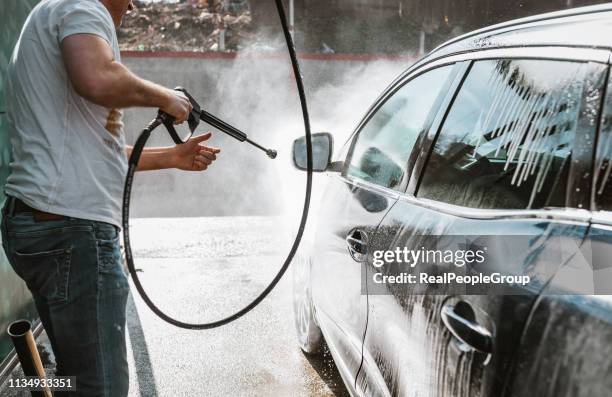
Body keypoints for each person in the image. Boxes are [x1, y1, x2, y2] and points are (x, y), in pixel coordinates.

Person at [0, 0, 220, 395]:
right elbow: (98, 79)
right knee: (100, 387)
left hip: (44, 224)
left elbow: (92, 152)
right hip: (71, 232)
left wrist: (171, 156)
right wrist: (164, 97)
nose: (134, 6)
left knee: (74, 378)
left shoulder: (53, 16)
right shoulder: (82, 7)